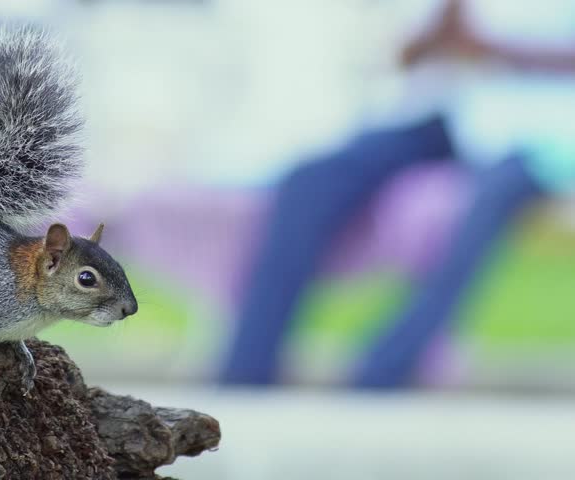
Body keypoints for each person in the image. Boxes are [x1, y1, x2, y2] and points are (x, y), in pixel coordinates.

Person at [221, 0, 575, 387]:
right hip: (457, 119)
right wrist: (445, 23)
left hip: (546, 135)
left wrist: (492, 48)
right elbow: (410, 58)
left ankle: (384, 367)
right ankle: (248, 364)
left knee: (474, 212)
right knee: (311, 180)